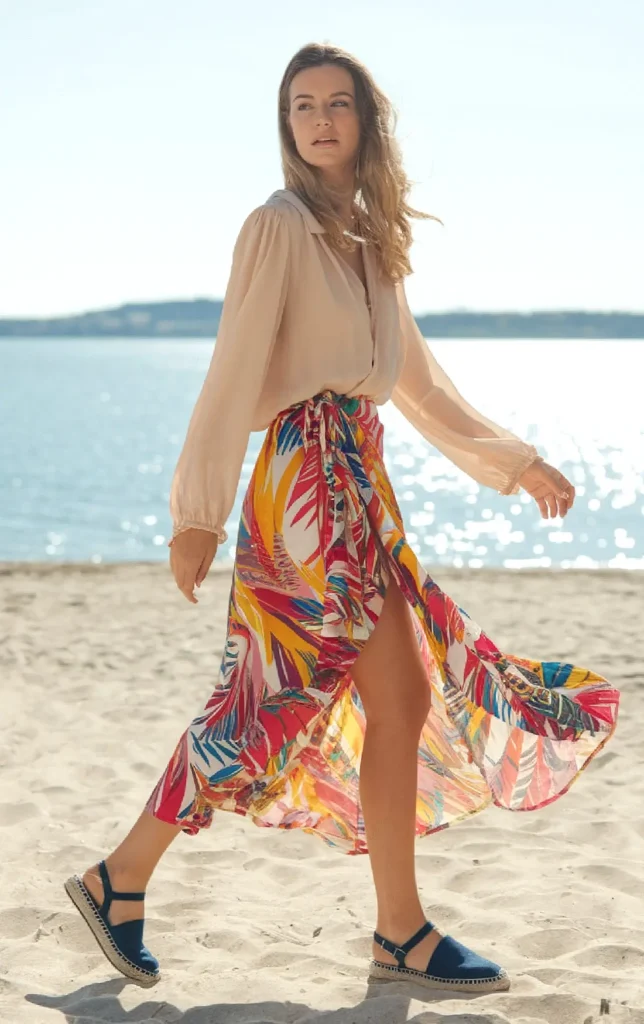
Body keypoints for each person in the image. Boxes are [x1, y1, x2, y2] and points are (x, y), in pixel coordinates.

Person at [64, 42, 619, 995]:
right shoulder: (276, 226)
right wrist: (195, 511)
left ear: (367, 121)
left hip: (360, 482)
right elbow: (232, 366)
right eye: (301, 106)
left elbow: (416, 381)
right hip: (301, 487)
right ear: (286, 126)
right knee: (271, 697)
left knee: (398, 699)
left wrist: (516, 461)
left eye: (337, 104)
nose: (319, 120)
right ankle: (121, 878)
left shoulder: (372, 240)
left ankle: (396, 930)